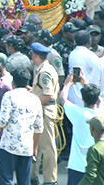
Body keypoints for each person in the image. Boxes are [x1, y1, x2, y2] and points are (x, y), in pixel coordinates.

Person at [0, 68, 43, 185]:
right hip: (26, 147)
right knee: (24, 181)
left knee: (6, 180)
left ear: (14, 82)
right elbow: (38, 128)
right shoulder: (35, 99)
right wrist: (35, 148)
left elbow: (2, 121)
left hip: (8, 146)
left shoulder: (9, 96)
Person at [59, 73, 104, 185]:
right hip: (99, 164)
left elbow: (62, 99)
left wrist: (67, 83)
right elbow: (100, 101)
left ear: (82, 99)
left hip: (78, 165)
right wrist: (85, 84)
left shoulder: (78, 114)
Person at [29, 43, 59, 185]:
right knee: (37, 146)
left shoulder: (44, 72)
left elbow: (49, 95)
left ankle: (50, 180)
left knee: (47, 147)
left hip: (45, 112)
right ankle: (32, 176)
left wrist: (31, 102)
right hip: (41, 111)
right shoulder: (44, 69)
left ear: (35, 56)